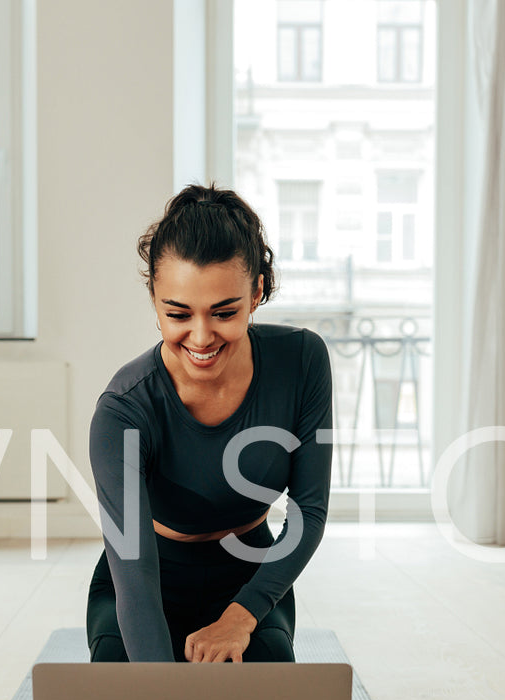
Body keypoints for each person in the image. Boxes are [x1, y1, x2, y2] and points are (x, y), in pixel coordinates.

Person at [86, 183, 334, 663]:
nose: (201, 337)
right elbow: (134, 577)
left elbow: (310, 512)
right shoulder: (122, 410)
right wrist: (162, 697)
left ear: (257, 291)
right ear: (154, 299)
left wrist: (240, 618)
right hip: (146, 581)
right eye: (177, 313)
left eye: (224, 312)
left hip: (250, 576)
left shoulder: (303, 361)